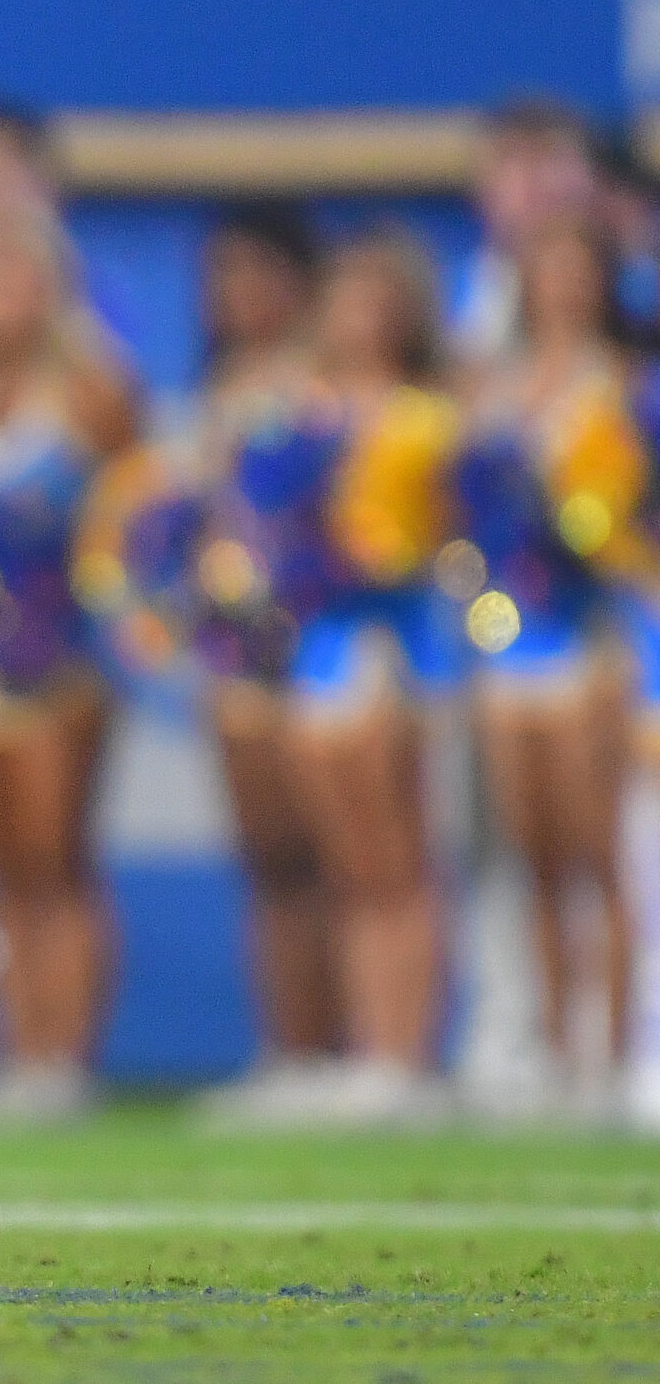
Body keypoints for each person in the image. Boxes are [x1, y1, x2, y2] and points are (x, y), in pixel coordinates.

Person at [0, 206, 137, 1118]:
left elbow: (138, 517)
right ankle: (15, 1048)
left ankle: (66, 1054)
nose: (0, 299)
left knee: (57, 859)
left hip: (62, 663)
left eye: (19, 280)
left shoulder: (93, 395)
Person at [265, 228, 460, 1124]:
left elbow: (451, 532)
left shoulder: (427, 414)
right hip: (320, 644)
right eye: (343, 298)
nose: (357, 317)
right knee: (343, 861)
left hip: (395, 638)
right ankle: (363, 1044)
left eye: (376, 300)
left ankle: (407, 1050)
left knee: (396, 857)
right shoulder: (301, 411)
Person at [455, 213, 640, 1117]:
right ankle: (549, 1047)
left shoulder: (625, 386)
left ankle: (617, 1050)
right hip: (505, 639)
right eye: (546, 268)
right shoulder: (491, 385)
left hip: (584, 634)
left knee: (594, 854)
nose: (562, 287)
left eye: (579, 269)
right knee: (528, 858)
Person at [178, 204, 343, 1121]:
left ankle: (350, 1049)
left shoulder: (323, 381)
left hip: (316, 643)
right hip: (237, 649)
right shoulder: (218, 386)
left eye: (257, 274)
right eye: (223, 278)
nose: (238, 295)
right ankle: (289, 1048)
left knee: (338, 858)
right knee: (270, 857)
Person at [454, 98, 598, 363]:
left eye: (550, 160)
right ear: (481, 189)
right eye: (517, 163)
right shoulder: (447, 299)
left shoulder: (637, 294)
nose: (537, 187)